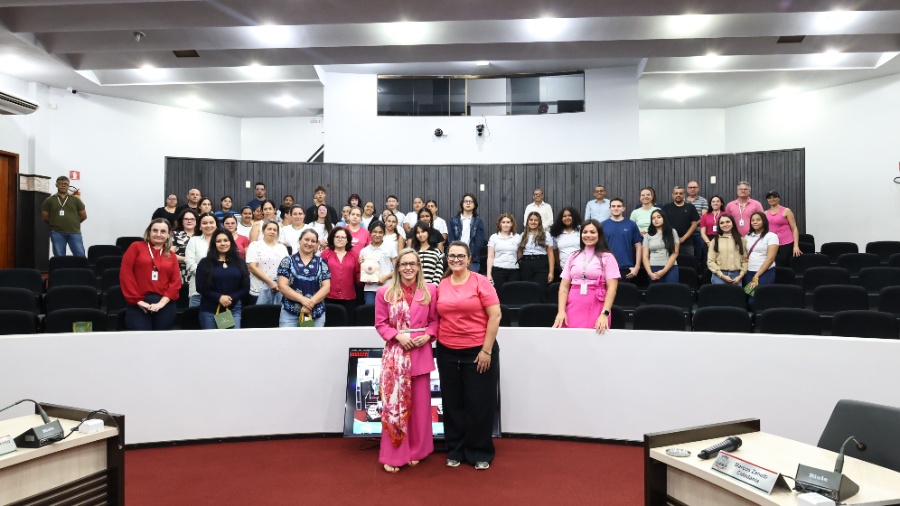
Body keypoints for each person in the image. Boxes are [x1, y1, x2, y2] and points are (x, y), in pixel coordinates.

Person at [435, 241, 501, 471]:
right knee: (453, 403)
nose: (456, 259)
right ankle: (455, 449)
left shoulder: (480, 282)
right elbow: (436, 317)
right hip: (447, 350)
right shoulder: (441, 285)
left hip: (478, 351)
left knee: (480, 404)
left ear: (469, 257)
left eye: (460, 255)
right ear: (446, 258)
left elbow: (495, 316)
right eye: (452, 256)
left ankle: (479, 451)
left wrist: (486, 350)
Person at [374, 248, 439, 474]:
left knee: (420, 409)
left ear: (419, 266)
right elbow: (381, 324)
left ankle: (416, 451)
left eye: (412, 263)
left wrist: (428, 336)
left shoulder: (431, 290)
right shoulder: (385, 292)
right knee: (395, 407)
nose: (408, 268)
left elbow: (435, 321)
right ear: (397, 267)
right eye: (404, 264)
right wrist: (398, 336)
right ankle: (394, 455)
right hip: (396, 355)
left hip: (421, 354)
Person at [552, 219, 620, 332]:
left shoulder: (607, 257)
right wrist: (561, 311)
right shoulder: (573, 256)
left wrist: (605, 313)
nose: (588, 235)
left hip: (597, 306)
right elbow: (564, 287)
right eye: (585, 232)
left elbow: (612, 288)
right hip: (573, 305)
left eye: (592, 232)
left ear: (600, 234)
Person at [119, 218, 182, 330]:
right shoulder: (136, 247)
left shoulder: (171, 255)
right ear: (149, 232)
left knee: (162, 342)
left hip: (165, 304)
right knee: (140, 341)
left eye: (163, 231)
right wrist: (138, 301)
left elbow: (175, 282)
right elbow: (126, 275)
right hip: (138, 303)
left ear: (168, 235)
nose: (158, 234)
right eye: (155, 230)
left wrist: (161, 303)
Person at [196, 229, 250, 329]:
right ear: (214, 244)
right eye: (219, 241)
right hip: (209, 310)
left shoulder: (240, 262)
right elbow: (200, 287)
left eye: (226, 240)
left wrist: (230, 298)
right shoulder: (205, 262)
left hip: (233, 309)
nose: (223, 243)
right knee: (212, 342)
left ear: (231, 242)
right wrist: (219, 297)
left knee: (232, 342)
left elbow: (246, 287)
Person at [277, 229, 331, 327]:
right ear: (299, 240)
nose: (309, 243)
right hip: (290, 314)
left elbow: (326, 287)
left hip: (316, 313)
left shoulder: (322, 262)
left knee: (314, 342)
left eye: (313, 241)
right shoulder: (287, 261)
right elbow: (282, 286)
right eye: (306, 239)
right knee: (287, 342)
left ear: (317, 243)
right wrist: (304, 300)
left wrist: (310, 303)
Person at [321, 227, 361, 324]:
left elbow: (358, 275)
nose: (340, 239)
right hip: (329, 297)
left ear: (347, 240)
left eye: (343, 237)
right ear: (332, 238)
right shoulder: (325, 254)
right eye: (337, 237)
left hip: (349, 298)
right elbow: (320, 274)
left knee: (347, 326)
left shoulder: (354, 255)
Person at [41, 175, 87, 257]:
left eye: (65, 183)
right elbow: (45, 217)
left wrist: (74, 222)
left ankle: (81, 269)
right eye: (60, 183)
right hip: (56, 232)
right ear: (56, 185)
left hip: (74, 232)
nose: (63, 185)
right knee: (59, 256)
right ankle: (60, 270)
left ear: (68, 186)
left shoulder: (76, 200)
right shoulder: (49, 200)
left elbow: (83, 216)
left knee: (80, 255)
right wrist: (55, 223)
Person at [246, 220, 289, 305]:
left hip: (279, 290)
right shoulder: (255, 245)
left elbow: (287, 267)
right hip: (259, 290)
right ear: (263, 231)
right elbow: (252, 267)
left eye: (275, 230)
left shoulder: (282, 248)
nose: (272, 231)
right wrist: (271, 282)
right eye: (269, 229)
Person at [602, 198, 643, 281]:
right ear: (609, 208)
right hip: (607, 267)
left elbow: (638, 246)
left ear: (623, 208)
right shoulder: (603, 225)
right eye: (613, 206)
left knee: (625, 293)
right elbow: (599, 247)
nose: (616, 208)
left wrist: (637, 267)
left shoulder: (631, 224)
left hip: (627, 268)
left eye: (618, 206)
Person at [744, 211, 779, 305]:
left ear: (764, 221)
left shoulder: (771, 236)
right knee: (750, 299)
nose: (755, 222)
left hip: (765, 272)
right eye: (753, 220)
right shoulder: (748, 236)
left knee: (756, 299)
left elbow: (770, 258)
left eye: (758, 220)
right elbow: (745, 253)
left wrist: (757, 276)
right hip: (750, 271)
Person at [359, 222, 397, 305]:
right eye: (375, 232)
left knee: (387, 313)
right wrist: (366, 278)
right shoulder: (364, 251)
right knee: (370, 313)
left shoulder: (390, 248)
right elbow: (364, 271)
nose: (377, 235)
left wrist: (385, 277)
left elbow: (397, 269)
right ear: (370, 233)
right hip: (370, 289)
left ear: (384, 234)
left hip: (387, 287)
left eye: (380, 232)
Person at [518, 212, 554, 297]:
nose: (533, 222)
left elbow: (550, 254)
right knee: (527, 290)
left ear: (539, 222)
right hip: (526, 263)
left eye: (536, 220)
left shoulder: (546, 235)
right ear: (527, 222)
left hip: (541, 263)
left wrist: (551, 272)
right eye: (531, 220)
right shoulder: (523, 235)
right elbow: (519, 251)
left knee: (540, 289)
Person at [185, 212, 218, 306]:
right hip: (198, 292)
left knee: (223, 320)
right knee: (196, 320)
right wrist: (209, 275)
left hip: (220, 292)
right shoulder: (194, 240)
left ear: (216, 225)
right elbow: (190, 263)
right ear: (199, 226)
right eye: (204, 223)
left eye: (211, 222)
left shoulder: (223, 241)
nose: (208, 225)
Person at [448, 193, 486, 272]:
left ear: (475, 205)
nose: (468, 203)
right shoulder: (453, 220)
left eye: (471, 201)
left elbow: (479, 243)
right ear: (462, 204)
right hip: (456, 257)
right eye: (466, 201)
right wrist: (458, 254)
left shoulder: (478, 222)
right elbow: (451, 240)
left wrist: (469, 256)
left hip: (472, 259)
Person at [706, 214, 748, 285]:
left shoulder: (741, 240)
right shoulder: (715, 241)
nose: (725, 224)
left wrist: (741, 275)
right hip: (719, 276)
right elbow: (710, 261)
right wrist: (722, 275)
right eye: (722, 223)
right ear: (719, 226)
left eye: (728, 222)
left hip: (737, 276)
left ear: (732, 223)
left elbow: (745, 260)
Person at [764, 190, 802, 267]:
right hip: (772, 242)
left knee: (784, 264)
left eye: (774, 197)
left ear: (779, 198)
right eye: (769, 198)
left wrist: (796, 246)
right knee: (772, 264)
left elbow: (794, 228)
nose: (772, 199)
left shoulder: (786, 211)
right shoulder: (765, 213)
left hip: (786, 242)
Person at [642, 210, 679, 284]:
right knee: (657, 293)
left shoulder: (672, 232)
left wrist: (664, 271)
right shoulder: (647, 235)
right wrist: (650, 273)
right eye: (653, 218)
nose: (656, 219)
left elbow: (675, 253)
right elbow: (645, 256)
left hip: (670, 267)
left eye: (658, 217)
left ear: (664, 218)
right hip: (653, 267)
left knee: (672, 292)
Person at [486, 213, 520, 294]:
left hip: (514, 270)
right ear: (500, 224)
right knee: (499, 294)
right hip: (498, 269)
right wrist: (488, 274)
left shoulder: (518, 237)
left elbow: (519, 255)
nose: (506, 224)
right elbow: (490, 257)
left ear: (512, 224)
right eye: (503, 222)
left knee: (512, 294)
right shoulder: (494, 237)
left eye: (508, 222)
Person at [661, 186, 700, 256]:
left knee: (688, 264)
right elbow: (662, 224)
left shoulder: (691, 207)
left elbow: (694, 224)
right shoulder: (666, 208)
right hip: (669, 242)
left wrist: (683, 238)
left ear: (684, 195)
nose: (678, 195)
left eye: (680, 193)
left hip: (687, 243)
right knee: (670, 265)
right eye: (676, 193)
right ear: (672, 195)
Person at [549, 207, 582, 275]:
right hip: (564, 269)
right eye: (564, 216)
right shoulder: (556, 233)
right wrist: (559, 267)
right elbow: (555, 251)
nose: (567, 218)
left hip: (581, 268)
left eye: (570, 215)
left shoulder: (581, 230)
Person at [410, 221, 444, 285]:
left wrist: (433, 286)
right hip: (415, 288)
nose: (420, 235)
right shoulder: (412, 252)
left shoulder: (436, 251)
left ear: (428, 233)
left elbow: (439, 271)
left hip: (432, 288)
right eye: (418, 232)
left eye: (423, 232)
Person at [172, 208, 199, 283]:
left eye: (192, 219)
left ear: (196, 221)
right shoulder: (174, 235)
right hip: (180, 276)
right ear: (182, 221)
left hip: (199, 275)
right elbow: (170, 255)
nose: (189, 221)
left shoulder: (201, 235)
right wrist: (189, 260)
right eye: (186, 219)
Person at [685, 181, 708, 263]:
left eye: (694, 187)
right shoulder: (683, 201)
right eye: (690, 187)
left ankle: (698, 272)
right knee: (686, 255)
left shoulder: (703, 201)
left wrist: (692, 226)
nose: (692, 189)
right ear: (687, 189)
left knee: (699, 253)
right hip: (684, 233)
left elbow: (703, 217)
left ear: (698, 189)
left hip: (698, 232)